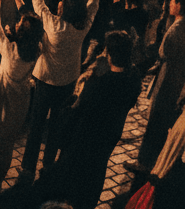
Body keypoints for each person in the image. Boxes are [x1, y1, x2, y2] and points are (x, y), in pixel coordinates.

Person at [35, 30, 142, 209]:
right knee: (96, 172)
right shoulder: (133, 79)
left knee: (74, 176)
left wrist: (83, 85)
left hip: (85, 137)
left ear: (109, 54)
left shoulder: (98, 84)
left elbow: (77, 110)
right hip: (109, 136)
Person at [18, 0, 99, 184]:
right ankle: (48, 165)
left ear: (64, 8)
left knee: (36, 124)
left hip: (45, 80)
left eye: (62, 1)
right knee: (56, 126)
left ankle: (27, 168)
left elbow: (36, 0)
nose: (60, 2)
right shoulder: (82, 26)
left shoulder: (53, 25)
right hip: (68, 82)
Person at [0, 0, 43, 200]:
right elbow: (29, 29)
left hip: (1, 99)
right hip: (21, 100)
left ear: (21, 34)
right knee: (7, 145)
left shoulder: (10, 49)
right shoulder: (35, 50)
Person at [131, 0, 185, 173]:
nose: (170, 3)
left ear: (179, 5)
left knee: (155, 121)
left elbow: (163, 52)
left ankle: (143, 162)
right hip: (177, 81)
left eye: (173, 1)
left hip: (167, 80)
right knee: (162, 123)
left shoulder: (177, 28)